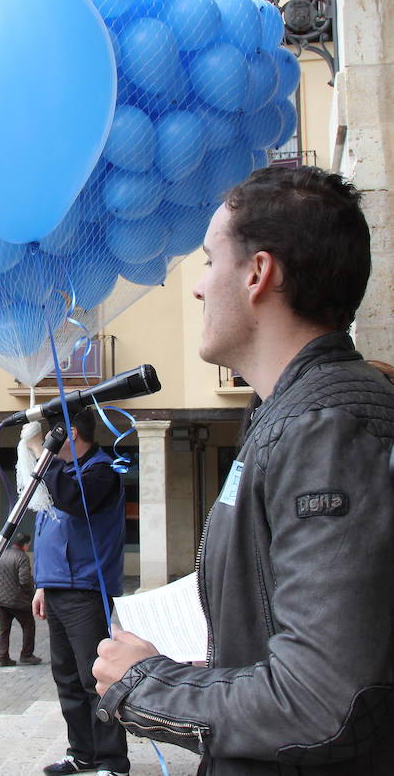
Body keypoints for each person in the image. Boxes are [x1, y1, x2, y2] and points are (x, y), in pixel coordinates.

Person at [93, 166, 394, 775]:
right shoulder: (290, 417)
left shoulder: (325, 428)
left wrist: (145, 685)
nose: (198, 287)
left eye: (208, 260)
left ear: (258, 273)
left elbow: (322, 703)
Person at [28, 409, 129, 776]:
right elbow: (48, 528)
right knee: (67, 678)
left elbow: (72, 501)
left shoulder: (102, 470)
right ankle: (82, 753)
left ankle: (112, 761)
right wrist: (42, 583)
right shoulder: (65, 472)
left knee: (95, 679)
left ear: (68, 432)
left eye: (51, 435)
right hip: (57, 586)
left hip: (85, 588)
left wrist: (45, 455)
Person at [0, 532, 40, 668]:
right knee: (28, 625)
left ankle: (3, 657)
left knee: (4, 630)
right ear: (25, 545)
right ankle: (26, 655)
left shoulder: (2, 555)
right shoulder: (22, 557)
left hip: (1, 600)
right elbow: (24, 580)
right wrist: (31, 594)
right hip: (18, 601)